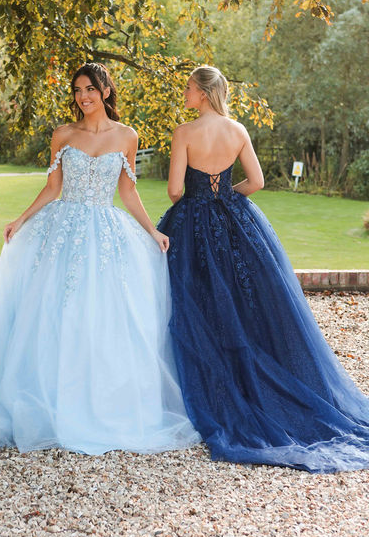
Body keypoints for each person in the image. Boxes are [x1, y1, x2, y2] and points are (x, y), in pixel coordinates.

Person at [158, 65, 369, 472]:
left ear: (202, 92)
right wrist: (226, 198)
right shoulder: (237, 130)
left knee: (196, 301)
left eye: (188, 88)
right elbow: (255, 182)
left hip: (193, 222)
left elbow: (174, 190)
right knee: (245, 301)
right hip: (236, 221)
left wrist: (200, 202)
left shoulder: (184, 132)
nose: (184, 93)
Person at [0, 62, 199, 455]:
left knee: (103, 314)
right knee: (55, 311)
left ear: (104, 90)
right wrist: (21, 219)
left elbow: (128, 192)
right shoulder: (63, 134)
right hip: (63, 230)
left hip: (105, 233)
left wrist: (152, 231)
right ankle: (51, 407)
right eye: (77, 90)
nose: (83, 96)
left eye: (89, 89)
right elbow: (52, 187)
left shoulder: (127, 135)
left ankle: (101, 406)